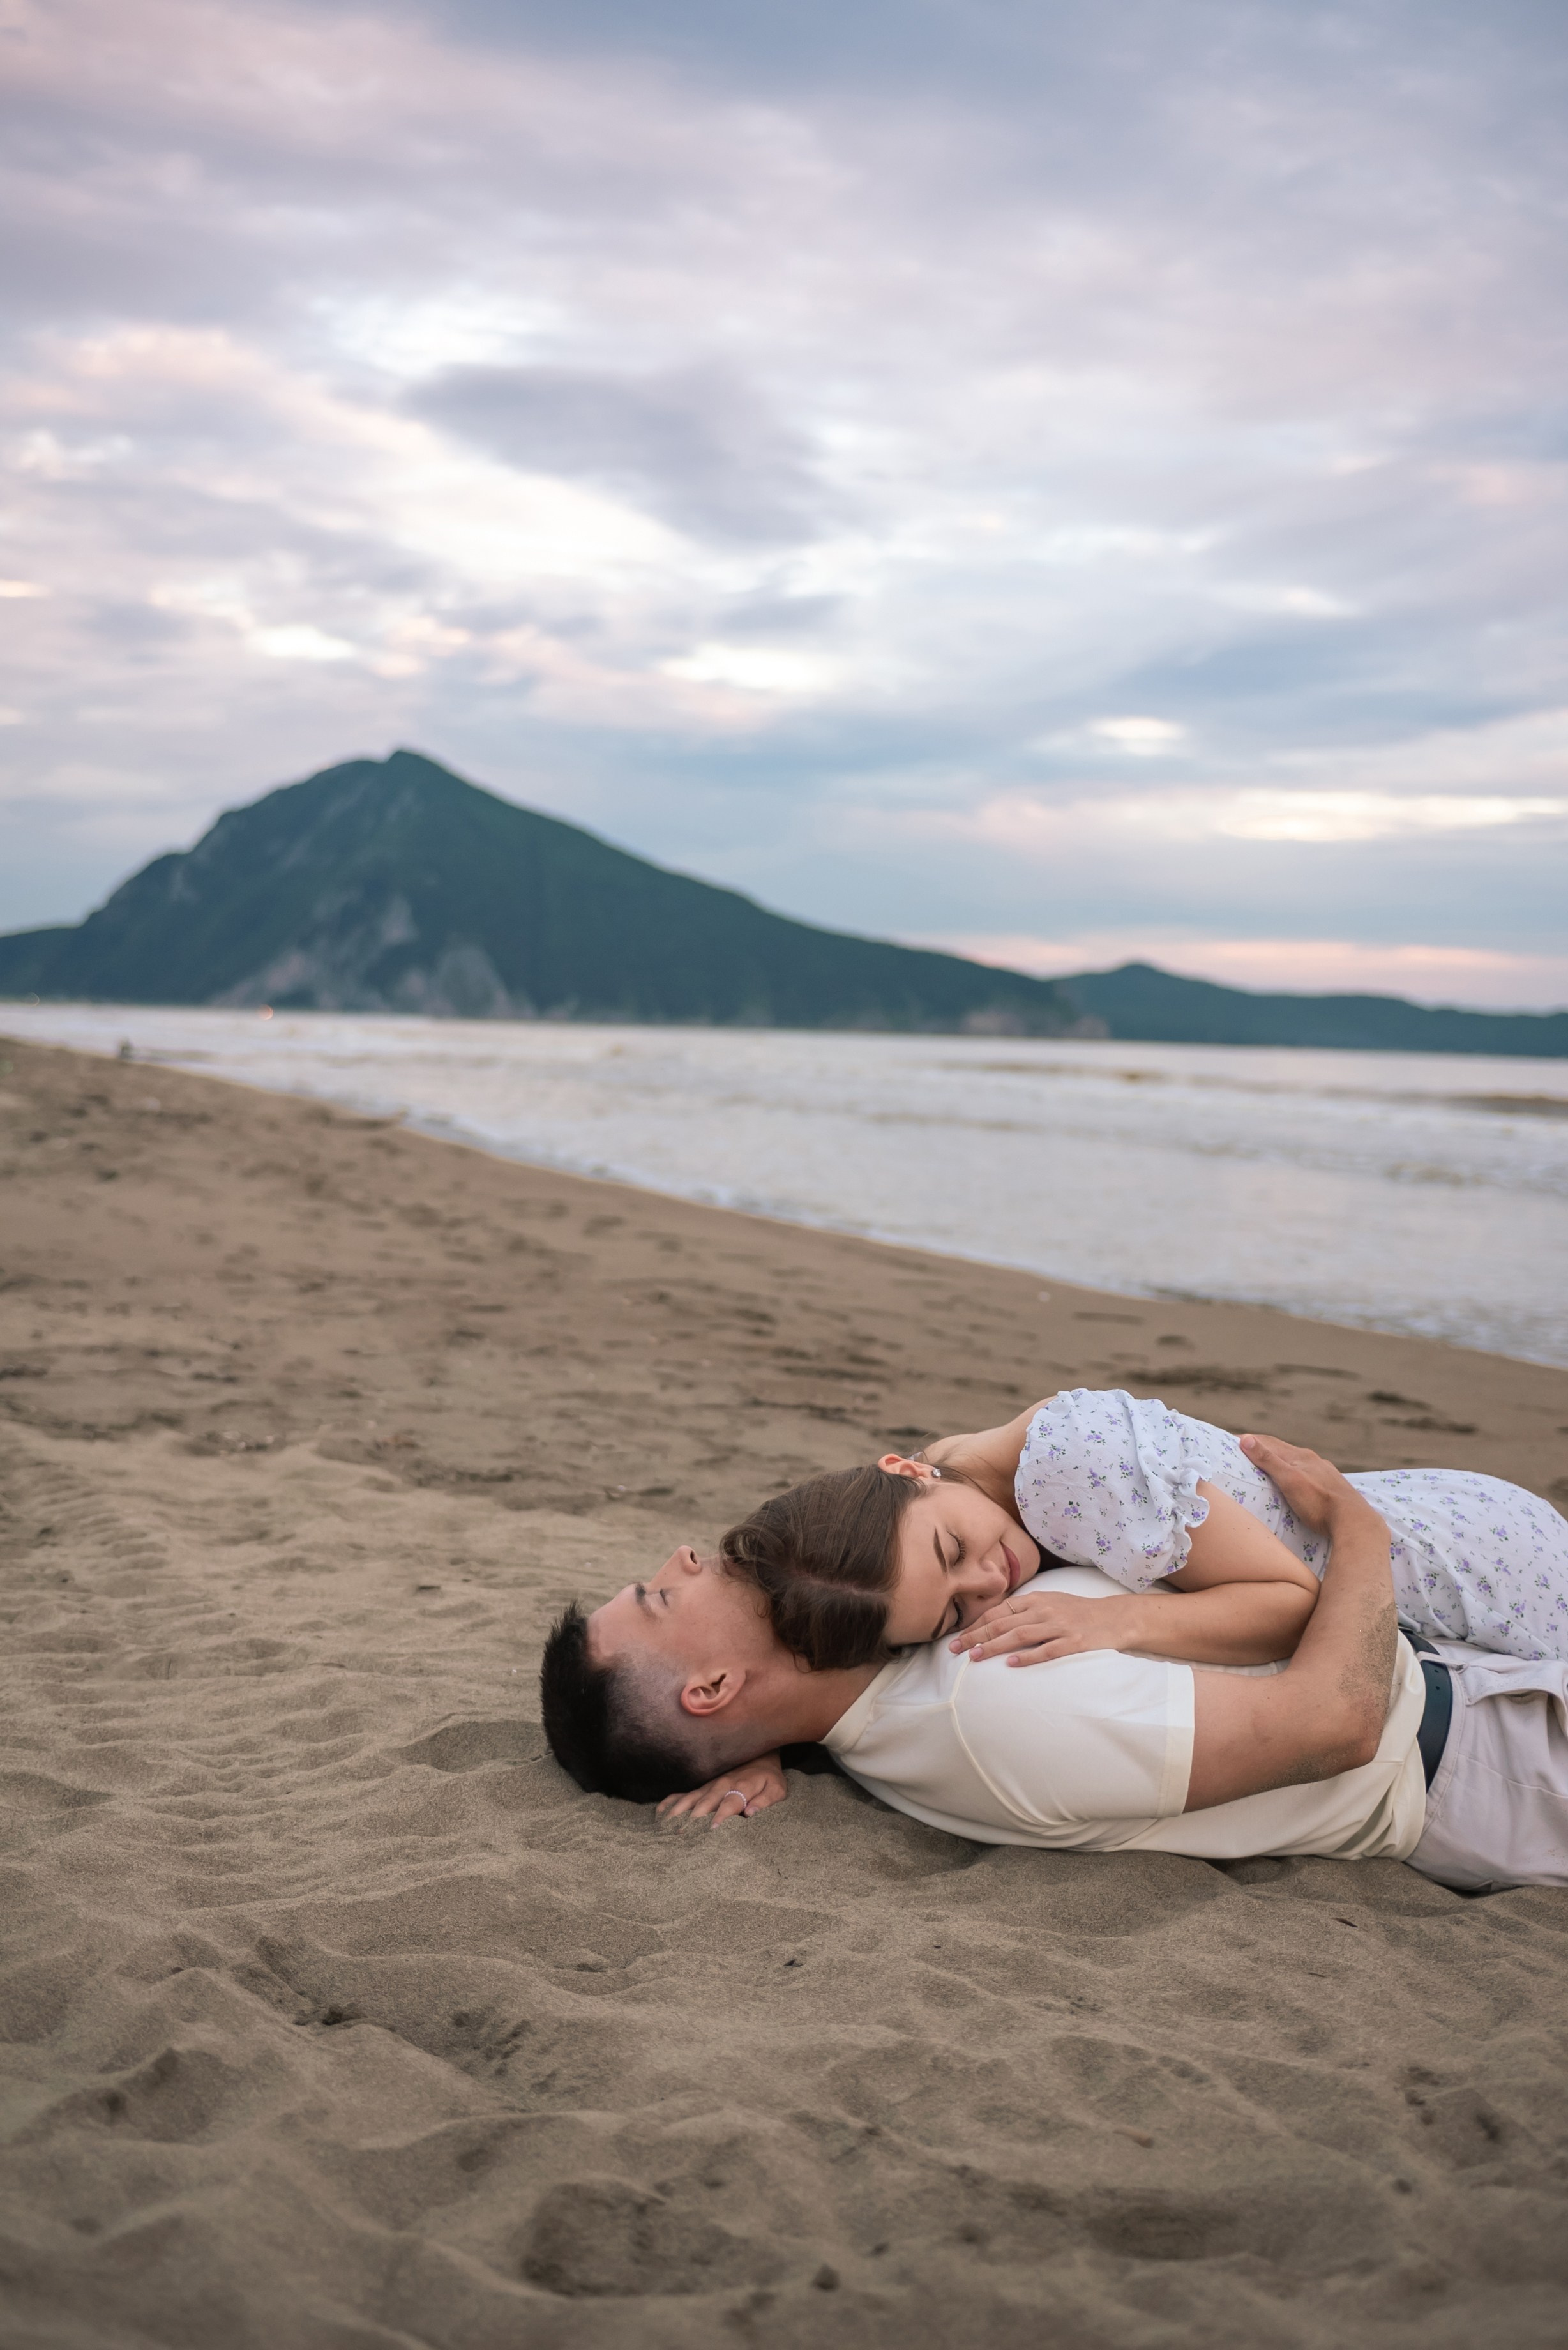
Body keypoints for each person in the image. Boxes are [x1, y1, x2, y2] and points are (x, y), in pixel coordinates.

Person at [540, 1434, 1568, 1894]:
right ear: (711, 1687)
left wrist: (766, 1756)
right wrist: (1358, 1530)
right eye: (660, 1596)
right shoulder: (1001, 1713)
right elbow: (1335, 1725)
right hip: (1491, 1751)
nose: (680, 1559)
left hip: (1470, 1660)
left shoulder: (888, 1662)